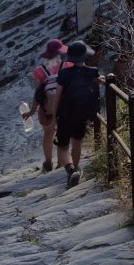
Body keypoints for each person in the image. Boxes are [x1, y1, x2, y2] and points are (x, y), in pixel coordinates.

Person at [53, 39, 100, 189]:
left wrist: (54, 114)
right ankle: (77, 167)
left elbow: (57, 95)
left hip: (66, 113)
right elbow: (96, 86)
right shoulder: (92, 72)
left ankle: (70, 169)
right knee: (77, 142)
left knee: (63, 145)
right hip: (82, 112)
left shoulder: (63, 74)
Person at [23, 39, 69, 172]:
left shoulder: (39, 70)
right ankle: (61, 163)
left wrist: (32, 110)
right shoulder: (67, 65)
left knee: (48, 134)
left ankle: (48, 162)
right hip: (64, 107)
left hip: (47, 109)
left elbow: (38, 93)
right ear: (60, 53)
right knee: (62, 133)